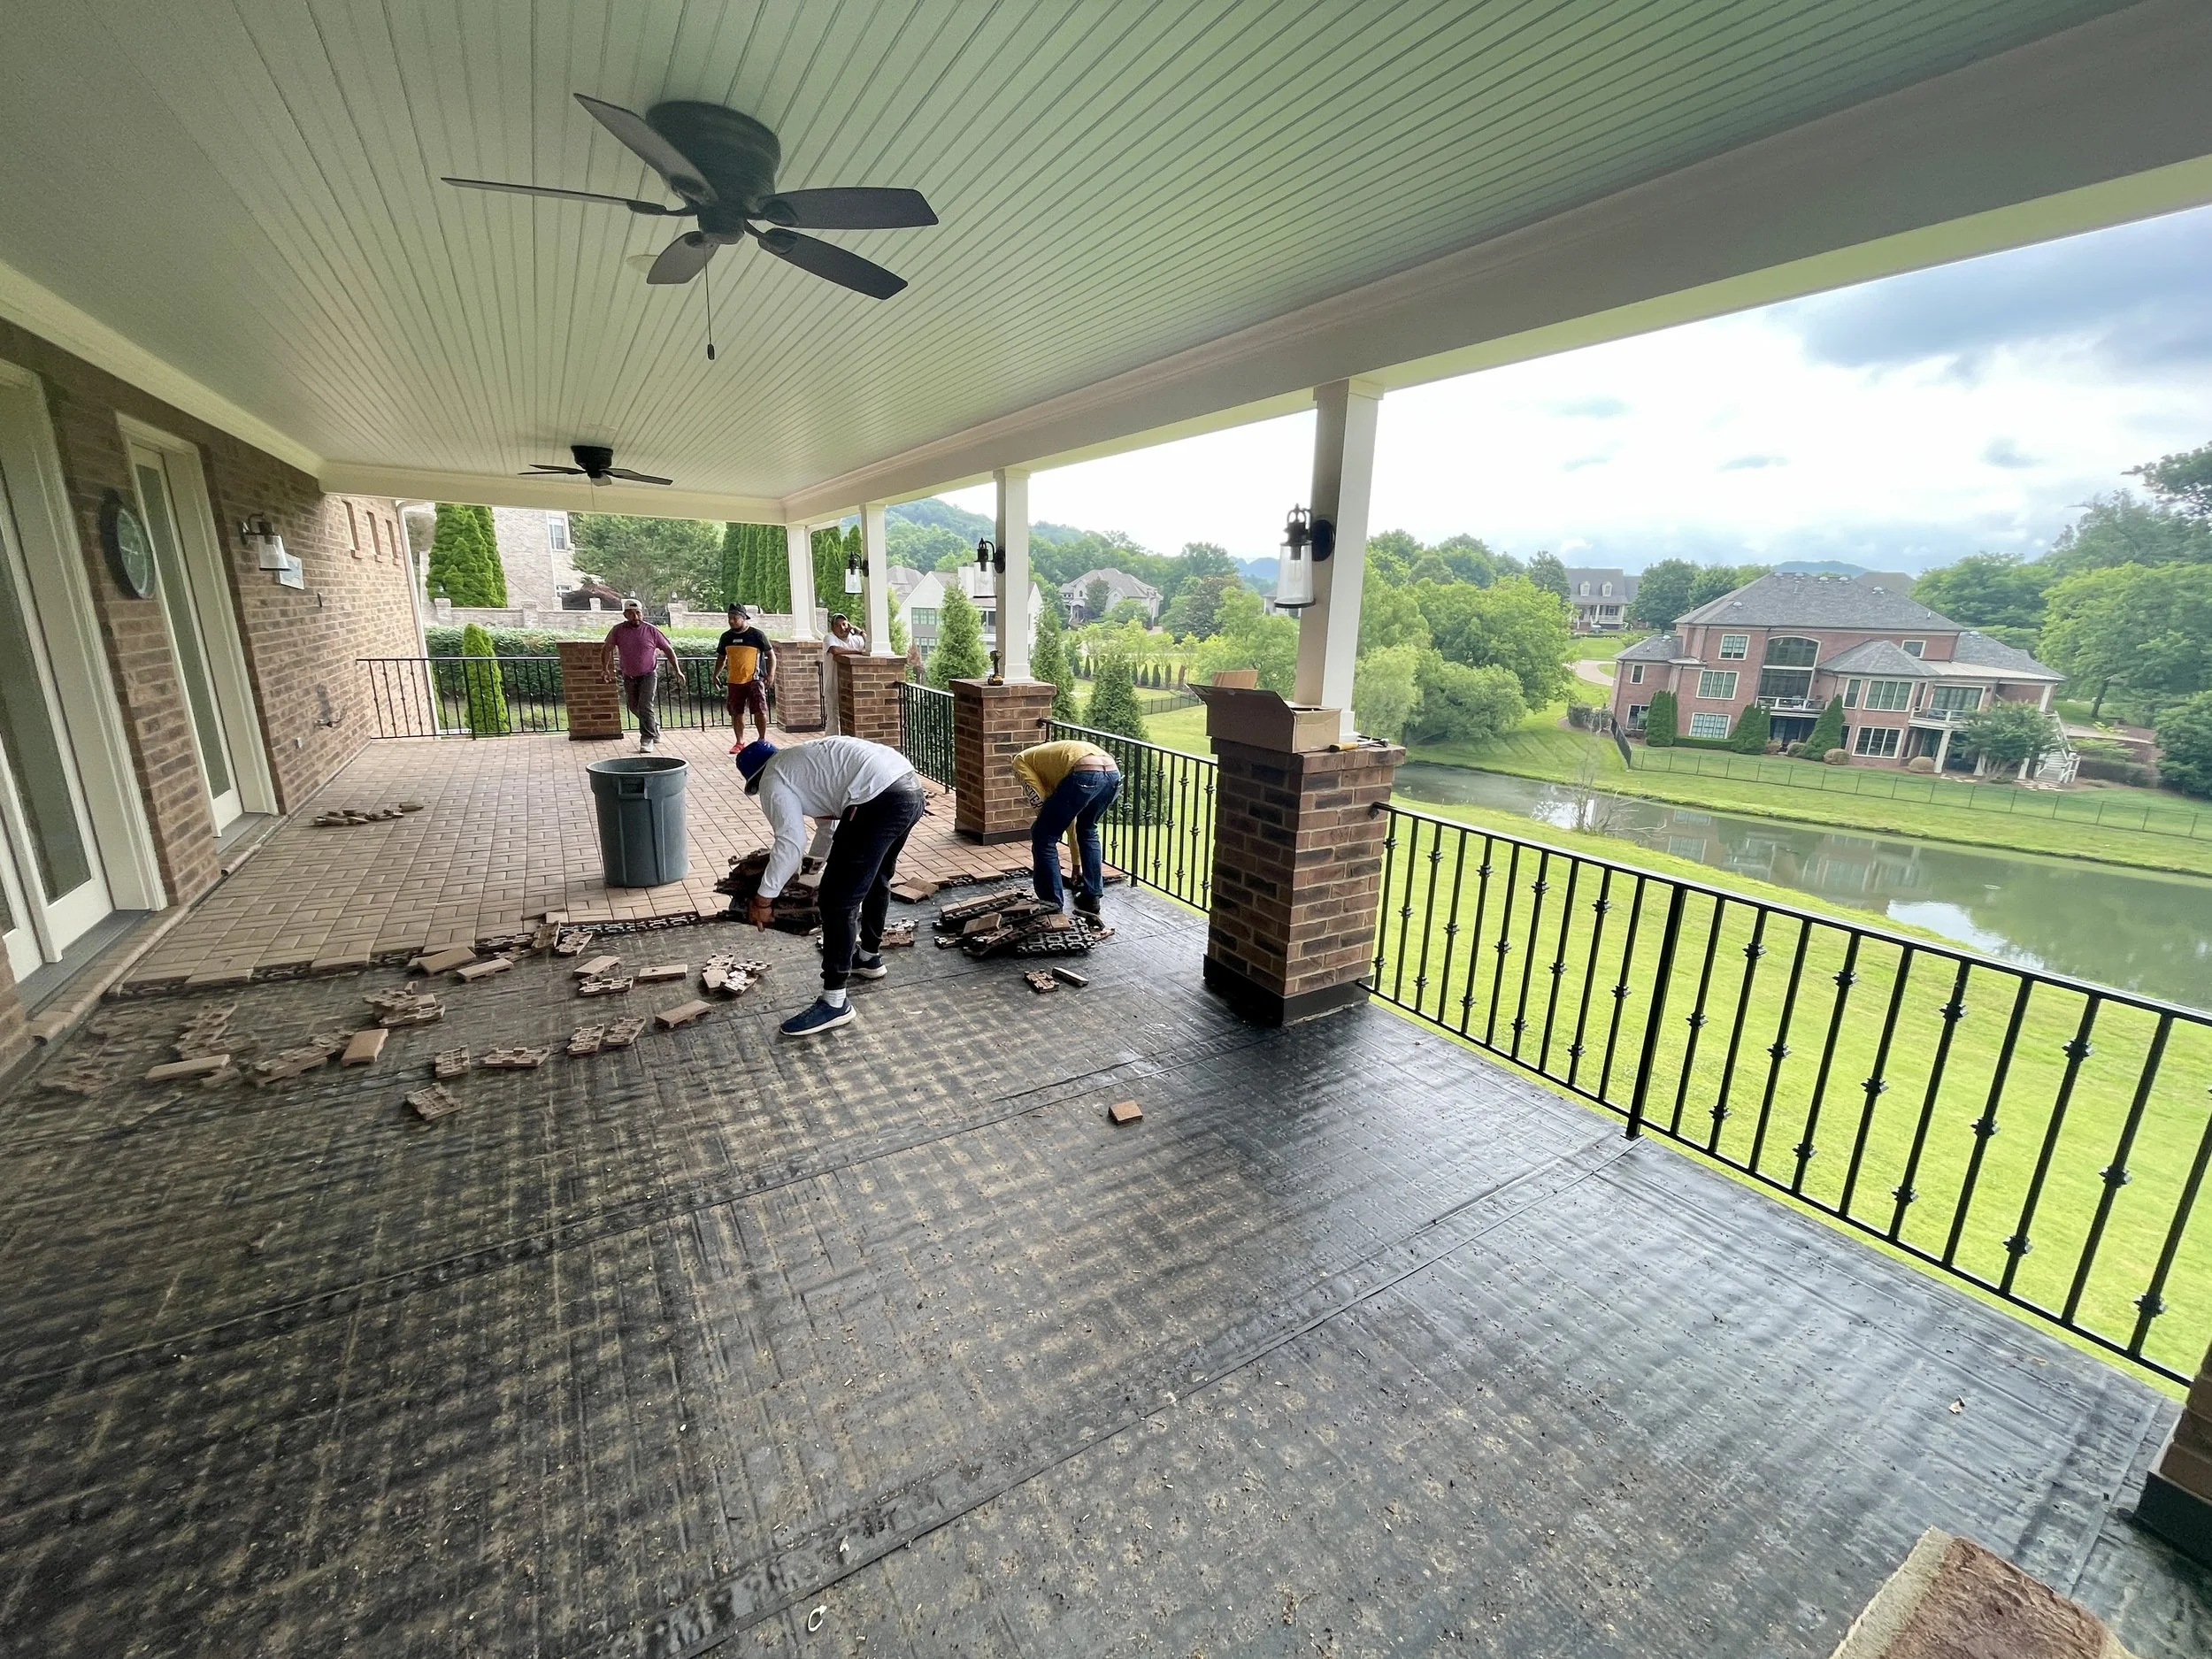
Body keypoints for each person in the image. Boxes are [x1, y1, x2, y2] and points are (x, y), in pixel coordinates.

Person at [737, 735, 926, 1037]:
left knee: (837, 901)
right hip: (908, 790)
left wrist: (763, 899)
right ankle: (868, 958)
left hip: (877, 800)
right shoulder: (802, 764)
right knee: (876, 877)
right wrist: (811, 870)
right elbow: (829, 827)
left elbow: (790, 842)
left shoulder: (773, 777)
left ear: (755, 778)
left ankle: (835, 1002)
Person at [1015, 739, 1120, 919]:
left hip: (1084, 772)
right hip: (1112, 774)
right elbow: (1070, 818)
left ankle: (1051, 903)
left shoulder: (1020, 761)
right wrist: (1076, 864)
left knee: (1043, 836)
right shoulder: (1052, 762)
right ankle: (1092, 897)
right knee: (1088, 829)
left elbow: (1039, 801)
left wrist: (1049, 827)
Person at [598, 600, 680, 751]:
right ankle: (653, 726)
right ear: (625, 615)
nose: (635, 616)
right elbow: (606, 649)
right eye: (631, 614)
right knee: (633, 707)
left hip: (648, 675)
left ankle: (647, 739)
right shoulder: (618, 630)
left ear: (643, 613)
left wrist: (677, 670)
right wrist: (605, 669)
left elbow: (668, 650)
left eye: (638, 613)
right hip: (629, 676)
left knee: (645, 706)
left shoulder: (651, 630)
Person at [713, 603, 776, 752]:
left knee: (759, 710)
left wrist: (770, 674)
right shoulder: (726, 637)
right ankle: (739, 742)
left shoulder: (757, 635)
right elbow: (721, 658)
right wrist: (715, 675)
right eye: (729, 618)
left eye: (734, 618)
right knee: (736, 712)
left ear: (743, 618)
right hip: (734, 680)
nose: (731, 621)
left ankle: (762, 740)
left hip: (755, 679)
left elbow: (771, 655)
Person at [821, 612, 869, 735]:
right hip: (832, 684)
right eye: (838, 626)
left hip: (847, 686)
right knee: (833, 717)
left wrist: (858, 630)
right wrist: (859, 652)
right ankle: (831, 741)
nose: (842, 628)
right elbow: (835, 650)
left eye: (845, 624)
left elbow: (869, 643)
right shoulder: (829, 638)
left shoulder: (855, 639)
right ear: (833, 628)